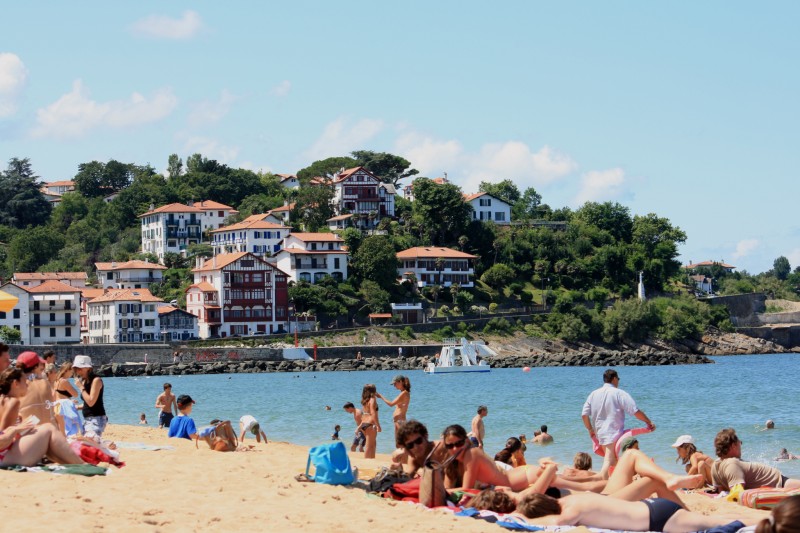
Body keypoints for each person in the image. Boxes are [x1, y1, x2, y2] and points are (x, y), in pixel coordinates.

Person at [514, 491, 752, 531]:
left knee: (716, 524)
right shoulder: (572, 499)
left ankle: (765, 524)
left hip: (658, 520)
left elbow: (554, 524)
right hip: (653, 507)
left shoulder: (570, 512)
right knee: (714, 520)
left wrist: (520, 516)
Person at [0, 367, 84, 466]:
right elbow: (3, 437)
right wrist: (16, 429)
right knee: (48, 428)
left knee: (44, 430)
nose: (27, 383)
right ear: (15, 383)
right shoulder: (12, 402)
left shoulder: (5, 400)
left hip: (6, 454)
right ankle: (81, 464)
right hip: (4, 457)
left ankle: (75, 463)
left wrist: (22, 429)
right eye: (24, 381)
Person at [441, 424, 558, 494]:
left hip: (522, 478)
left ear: (467, 441)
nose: (455, 449)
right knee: (565, 482)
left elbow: (466, 490)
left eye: (459, 443)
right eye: (450, 446)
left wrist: (444, 491)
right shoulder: (452, 463)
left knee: (566, 483)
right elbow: (447, 488)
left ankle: (550, 466)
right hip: (519, 475)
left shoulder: (471, 454)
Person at [582, 369, 655, 479]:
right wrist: (648, 422)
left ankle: (616, 486)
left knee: (615, 462)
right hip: (614, 433)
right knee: (609, 462)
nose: (618, 382)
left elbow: (584, 415)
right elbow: (635, 411)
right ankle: (593, 484)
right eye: (618, 379)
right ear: (614, 378)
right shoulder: (619, 393)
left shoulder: (593, 394)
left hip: (600, 433)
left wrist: (590, 429)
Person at [712, 428, 800, 491]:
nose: (741, 446)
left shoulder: (716, 464)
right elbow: (738, 493)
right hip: (780, 482)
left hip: (778, 480)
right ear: (733, 446)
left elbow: (720, 490)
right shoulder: (732, 464)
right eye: (740, 443)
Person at [72, 355, 107, 439]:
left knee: (91, 444)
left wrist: (81, 388)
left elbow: (91, 402)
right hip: (88, 419)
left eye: (80, 368)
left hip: (95, 419)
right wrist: (75, 407)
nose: (78, 371)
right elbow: (87, 404)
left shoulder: (96, 380)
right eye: (76, 369)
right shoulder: (84, 381)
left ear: (88, 368)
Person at [18, 352, 55, 427]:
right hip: (47, 430)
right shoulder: (45, 383)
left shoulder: (18, 385)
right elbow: (51, 408)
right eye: (40, 364)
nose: (43, 367)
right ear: (35, 367)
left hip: (29, 431)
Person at [377, 375, 411, 445]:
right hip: (398, 421)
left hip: (400, 421)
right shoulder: (403, 393)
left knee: (401, 444)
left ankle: (405, 456)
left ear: (401, 382)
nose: (394, 386)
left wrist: (381, 396)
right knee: (398, 443)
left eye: (395, 384)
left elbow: (391, 404)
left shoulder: (404, 393)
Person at [360, 384, 380, 459]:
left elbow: (364, 413)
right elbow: (373, 412)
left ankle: (372, 461)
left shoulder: (365, 400)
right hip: (370, 424)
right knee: (369, 446)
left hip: (364, 424)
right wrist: (378, 425)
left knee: (372, 445)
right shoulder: (372, 399)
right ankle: (366, 463)